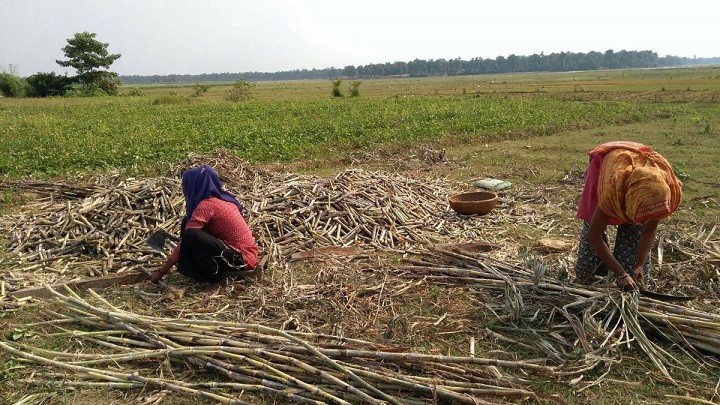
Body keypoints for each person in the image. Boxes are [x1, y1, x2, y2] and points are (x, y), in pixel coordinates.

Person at [574, 141, 682, 291]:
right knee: (587, 266)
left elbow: (649, 230)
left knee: (632, 251)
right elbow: (594, 235)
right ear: (628, 202)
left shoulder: (660, 195)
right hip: (607, 161)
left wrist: (638, 265)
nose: (642, 221)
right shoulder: (613, 189)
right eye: (639, 215)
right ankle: (592, 279)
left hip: (637, 159)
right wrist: (621, 274)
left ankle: (629, 273)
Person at [149, 165, 259, 290]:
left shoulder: (207, 205)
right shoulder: (224, 201)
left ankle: (216, 280)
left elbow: (186, 240)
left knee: (191, 234)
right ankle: (205, 271)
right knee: (188, 223)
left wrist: (161, 272)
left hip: (240, 260)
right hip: (244, 256)